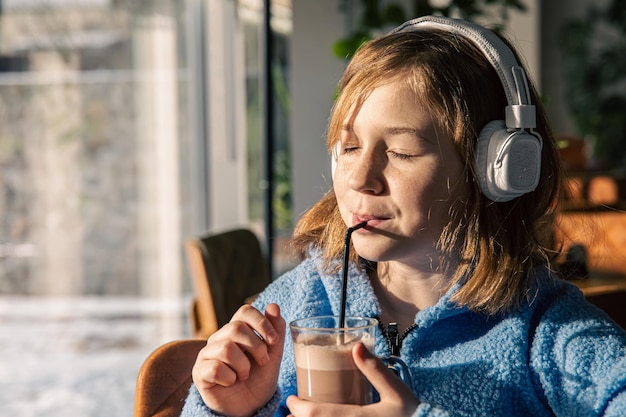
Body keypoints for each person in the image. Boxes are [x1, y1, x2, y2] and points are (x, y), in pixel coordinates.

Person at [182, 15, 626, 417]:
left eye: (400, 152)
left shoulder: (545, 331)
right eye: (350, 146)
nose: (360, 178)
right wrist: (233, 410)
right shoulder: (306, 296)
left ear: (492, 171)